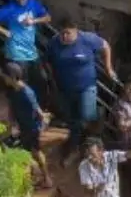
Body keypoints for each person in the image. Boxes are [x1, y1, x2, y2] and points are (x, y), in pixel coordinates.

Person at [49, 19, 114, 156]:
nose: (64, 36)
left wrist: (108, 68)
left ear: (76, 31)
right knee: (72, 118)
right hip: (65, 88)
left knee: (87, 115)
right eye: (62, 33)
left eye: (68, 33)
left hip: (86, 86)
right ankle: (76, 145)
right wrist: (52, 78)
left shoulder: (87, 39)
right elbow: (48, 60)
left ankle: (93, 136)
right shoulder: (54, 42)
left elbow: (105, 46)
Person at [0, 0, 51, 92]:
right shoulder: (10, 8)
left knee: (40, 79)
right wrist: (2, 30)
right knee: (20, 84)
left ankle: (1, 77)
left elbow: (47, 18)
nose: (21, 1)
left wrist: (34, 21)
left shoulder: (33, 3)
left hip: (31, 51)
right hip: (16, 51)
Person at [0, 62, 49, 187]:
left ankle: (45, 177)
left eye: (5, 77)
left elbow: (38, 110)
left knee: (34, 153)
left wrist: (42, 122)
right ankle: (34, 176)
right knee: (26, 153)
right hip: (22, 126)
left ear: (13, 77)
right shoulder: (12, 90)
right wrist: (12, 122)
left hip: (31, 128)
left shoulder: (27, 93)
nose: (4, 79)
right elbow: (11, 105)